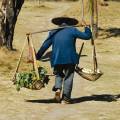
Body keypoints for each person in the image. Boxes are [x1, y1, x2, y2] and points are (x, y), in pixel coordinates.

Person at [36, 17, 92, 104]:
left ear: (58, 23)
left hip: (57, 58)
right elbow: (87, 36)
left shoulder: (53, 32)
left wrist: (37, 56)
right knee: (68, 77)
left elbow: (45, 45)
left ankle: (58, 89)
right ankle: (66, 99)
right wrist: (87, 27)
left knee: (58, 74)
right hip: (70, 59)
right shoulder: (73, 30)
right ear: (70, 23)